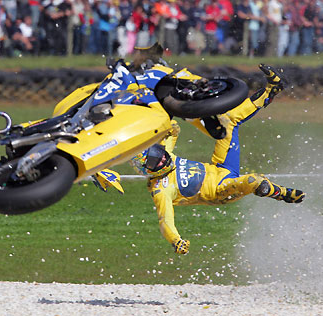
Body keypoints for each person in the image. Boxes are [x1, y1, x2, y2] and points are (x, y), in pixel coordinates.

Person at [130, 64, 305, 255]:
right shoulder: (161, 190)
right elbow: (165, 221)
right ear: (148, 170)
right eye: (155, 162)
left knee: (227, 121)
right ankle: (283, 194)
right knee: (255, 182)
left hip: (220, 167)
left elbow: (173, 131)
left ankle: (272, 90)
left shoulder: (165, 156)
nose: (162, 159)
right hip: (222, 190)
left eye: (158, 153)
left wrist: (164, 113)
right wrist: (176, 240)